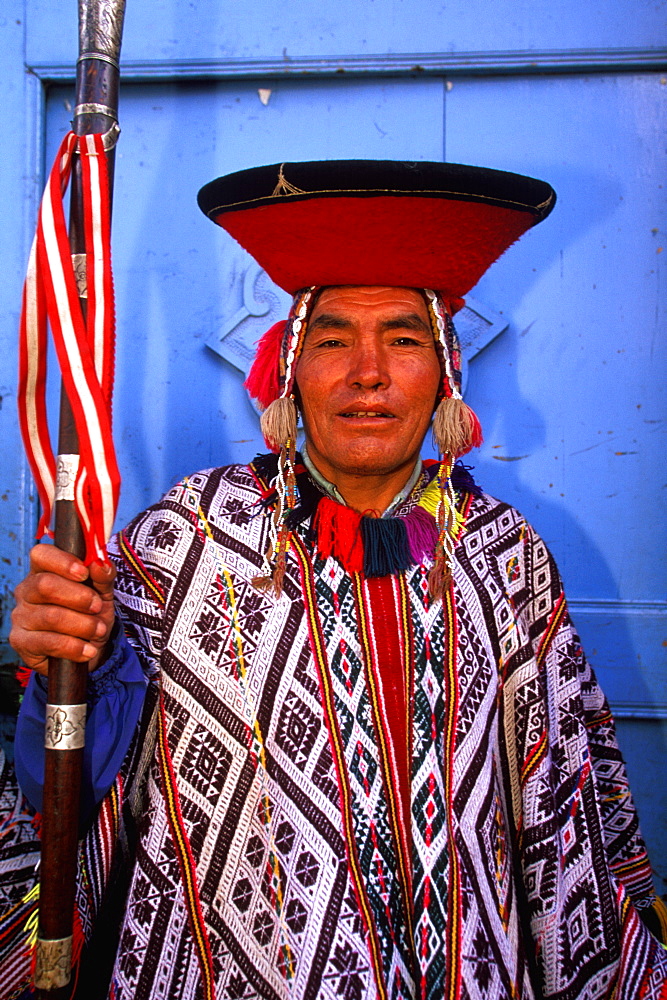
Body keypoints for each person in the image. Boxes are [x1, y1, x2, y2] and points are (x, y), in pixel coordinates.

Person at [3, 160, 667, 999]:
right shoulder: (184, 538)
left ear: (444, 376)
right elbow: (69, 767)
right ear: (289, 376)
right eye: (330, 341)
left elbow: (569, 799)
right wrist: (64, 655)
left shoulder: (507, 555)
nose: (367, 373)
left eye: (401, 337)